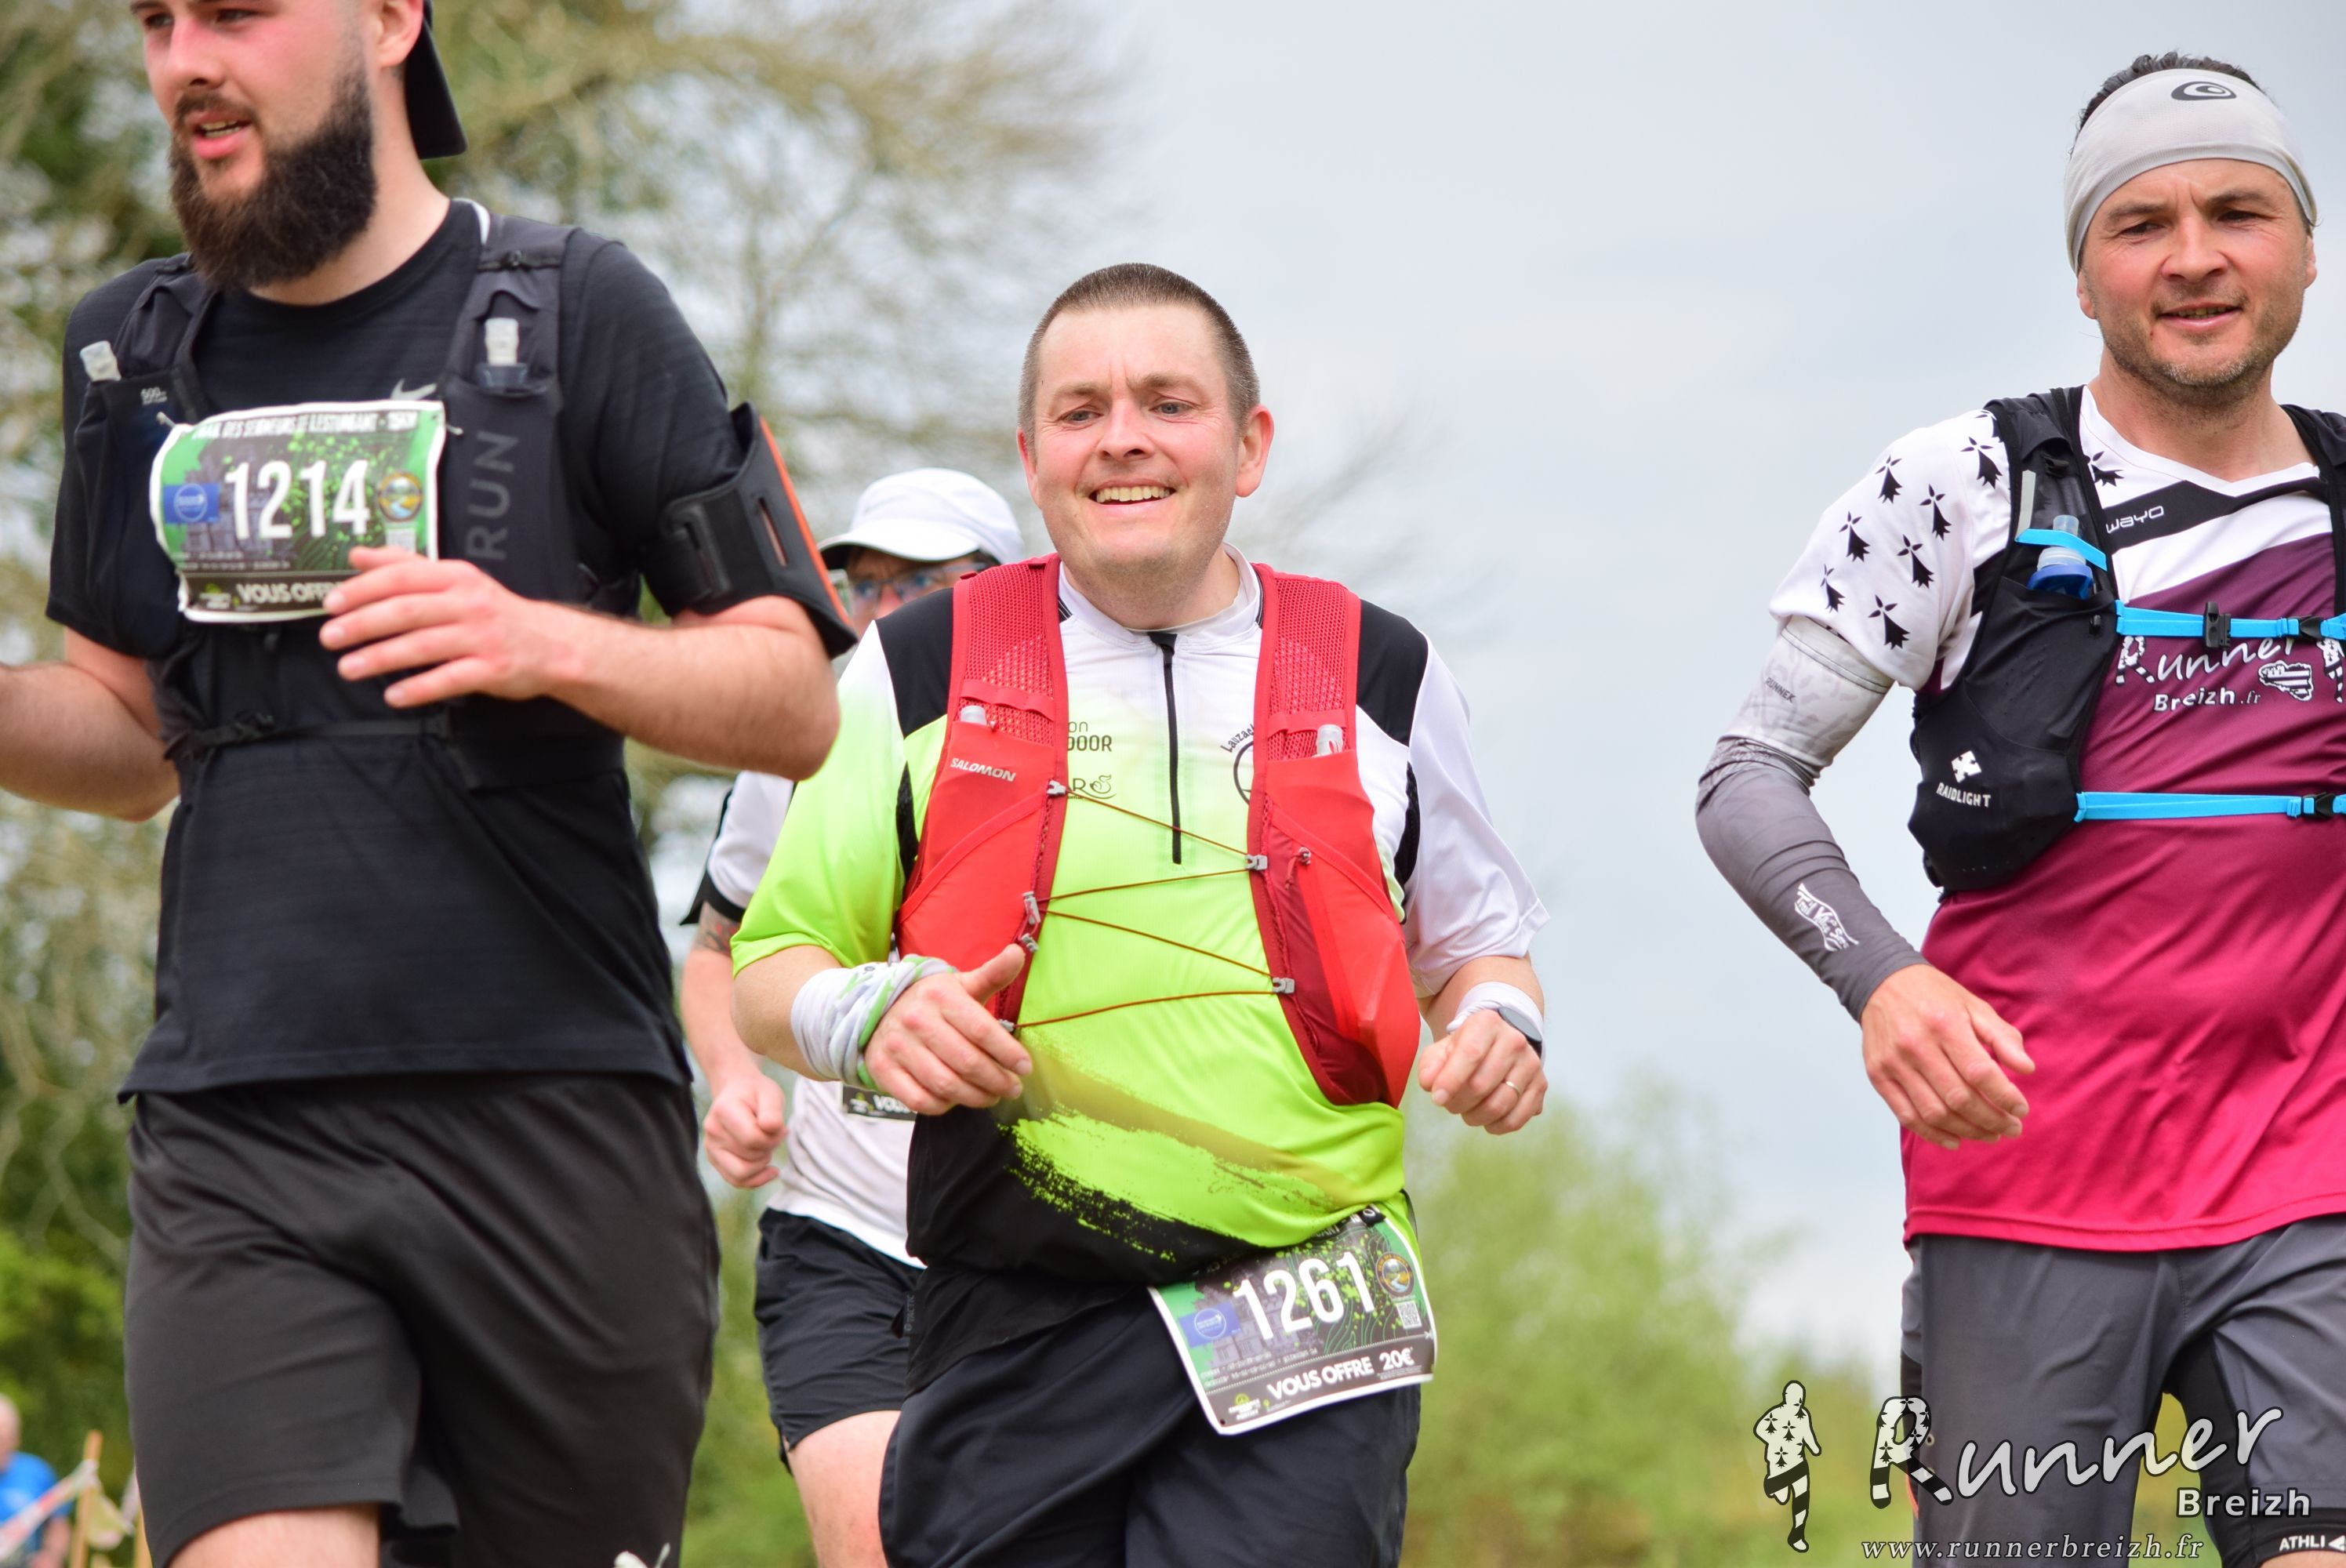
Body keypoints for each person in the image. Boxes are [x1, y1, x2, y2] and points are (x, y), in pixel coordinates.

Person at [9, 2, 856, 1564]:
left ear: (392, 18)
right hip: (238, 1124)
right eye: (157, 21)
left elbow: (793, 698)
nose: (187, 59)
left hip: (555, 1121)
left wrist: (545, 642)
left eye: (237, 11)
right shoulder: (128, 357)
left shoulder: (581, 307)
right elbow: (128, 744)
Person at [731, 262, 1550, 1566]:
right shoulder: (912, 666)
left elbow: (1477, 949)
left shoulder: (1381, 669)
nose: (1122, 438)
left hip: (1308, 1296)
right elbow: (769, 967)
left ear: (1249, 445)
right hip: (1012, 1306)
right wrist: (872, 1015)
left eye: (1168, 403)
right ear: (1031, 458)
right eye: (1081, 411)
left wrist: (1504, 1024)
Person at [1699, 51, 2346, 1565]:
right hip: (2025, 1184)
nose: (2193, 257)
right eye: (2140, 223)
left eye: (2238, 212)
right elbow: (1746, 777)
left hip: (2309, 1182)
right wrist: (1883, 981)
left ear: (2305, 248)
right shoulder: (1960, 484)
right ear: (2081, 272)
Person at [680, 466, 1022, 1567]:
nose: (882, 610)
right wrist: (736, 1080)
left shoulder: (1088, 745)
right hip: (843, 1239)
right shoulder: (808, 738)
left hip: (1036, 1247)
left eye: (917, 582)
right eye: (864, 585)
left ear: (1003, 587)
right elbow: (718, 952)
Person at [0, 1399, 67, 1568]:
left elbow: (58, 1524)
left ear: (15, 1439)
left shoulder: (37, 1472)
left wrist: (51, 1556)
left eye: (3, 1438)